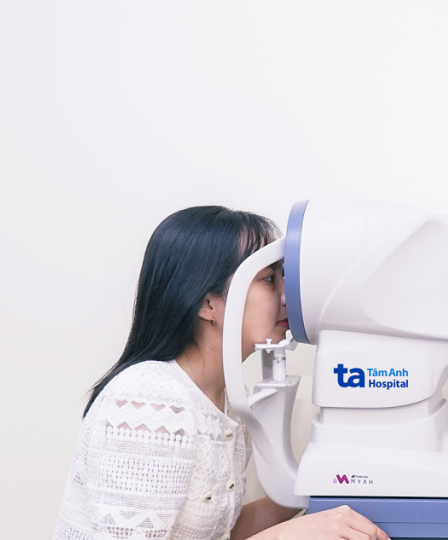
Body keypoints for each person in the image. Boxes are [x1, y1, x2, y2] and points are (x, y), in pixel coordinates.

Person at [54, 206, 389, 540]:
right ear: (207, 304)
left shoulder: (224, 404)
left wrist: (318, 487)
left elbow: (218, 534)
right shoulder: (150, 399)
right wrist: (289, 535)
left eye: (284, 277)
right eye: (269, 279)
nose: (287, 297)